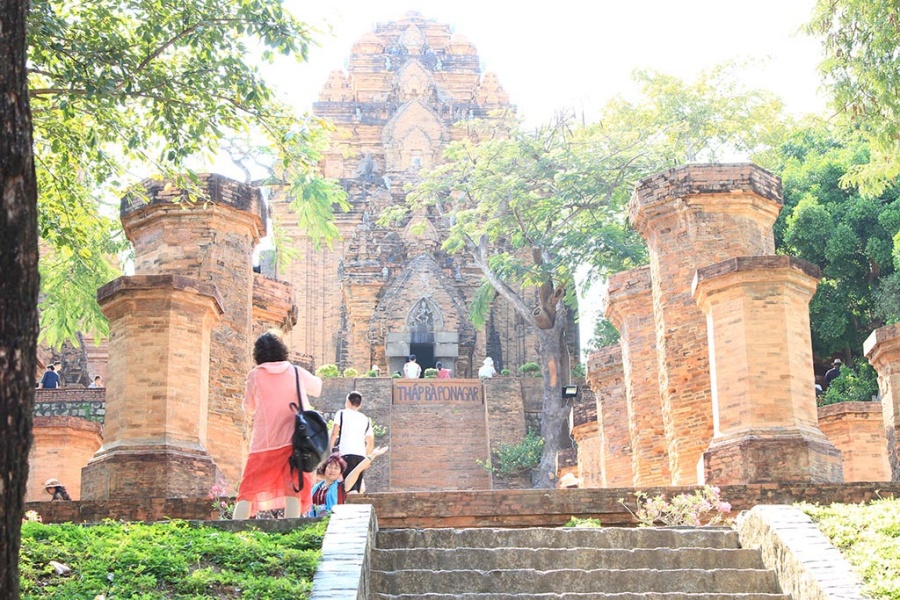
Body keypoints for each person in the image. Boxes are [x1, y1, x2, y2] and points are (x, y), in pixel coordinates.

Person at [233, 331, 322, 520]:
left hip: (264, 441)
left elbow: (248, 407)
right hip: (295, 439)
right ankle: (291, 528)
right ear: (282, 351)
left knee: (249, 486)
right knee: (294, 486)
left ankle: (234, 527)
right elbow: (317, 388)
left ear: (258, 354)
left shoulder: (255, 375)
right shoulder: (296, 372)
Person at [308, 446, 388, 517]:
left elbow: (357, 470)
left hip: (333, 524)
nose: (332, 470)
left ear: (340, 472)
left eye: (336, 468)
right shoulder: (315, 488)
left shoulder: (341, 487)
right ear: (324, 468)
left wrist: (372, 455)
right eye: (330, 467)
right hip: (313, 525)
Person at [329, 390, 375, 493]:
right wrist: (366, 459)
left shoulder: (341, 413)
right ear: (360, 405)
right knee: (356, 489)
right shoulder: (365, 419)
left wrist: (328, 451)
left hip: (346, 454)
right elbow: (370, 443)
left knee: (346, 488)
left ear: (348, 402)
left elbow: (334, 433)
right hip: (360, 456)